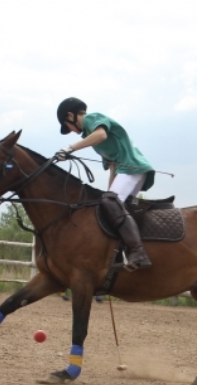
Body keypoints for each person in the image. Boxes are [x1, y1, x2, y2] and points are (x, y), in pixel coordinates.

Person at [55, 97, 155, 272]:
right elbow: (112, 167)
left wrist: (71, 148)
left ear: (71, 115)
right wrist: (109, 194)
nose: (71, 131)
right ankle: (124, 251)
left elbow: (101, 134)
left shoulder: (91, 118)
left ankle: (138, 252)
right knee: (114, 205)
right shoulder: (90, 137)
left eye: (67, 126)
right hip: (128, 169)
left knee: (111, 203)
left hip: (131, 167)